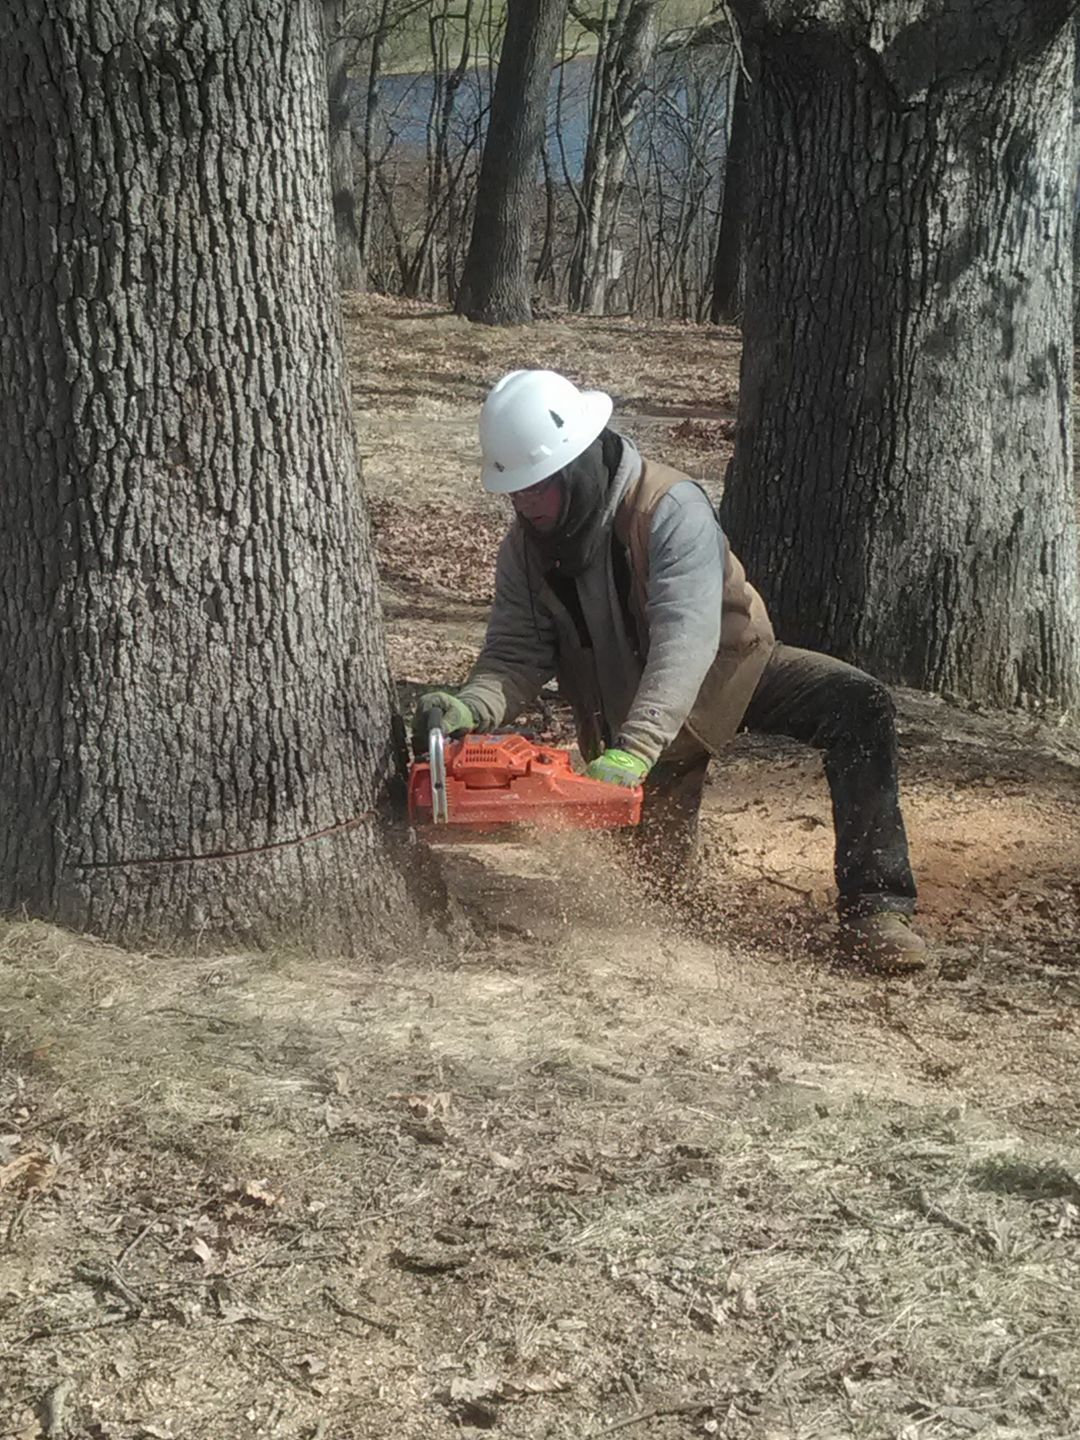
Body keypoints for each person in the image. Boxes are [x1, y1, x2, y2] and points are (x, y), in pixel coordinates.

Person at [413, 370, 926, 971]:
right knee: (653, 901)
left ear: (576, 467)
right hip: (632, 712)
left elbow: (687, 640)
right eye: (515, 491)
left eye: (535, 488)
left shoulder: (669, 508)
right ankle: (675, 881)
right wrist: (473, 705)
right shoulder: (524, 554)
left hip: (726, 670)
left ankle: (877, 909)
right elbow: (514, 654)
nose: (523, 504)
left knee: (856, 703)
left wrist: (635, 750)